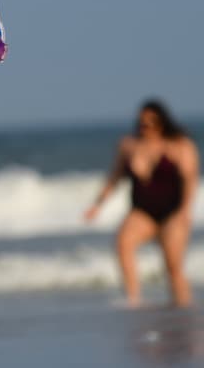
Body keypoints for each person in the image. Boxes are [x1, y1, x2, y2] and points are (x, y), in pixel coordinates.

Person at [85, 99, 197, 307]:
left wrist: (184, 211)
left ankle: (183, 308)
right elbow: (114, 178)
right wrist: (97, 205)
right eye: (142, 122)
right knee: (123, 243)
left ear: (162, 121)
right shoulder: (128, 145)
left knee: (173, 266)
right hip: (142, 211)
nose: (146, 127)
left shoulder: (180, 145)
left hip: (173, 211)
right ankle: (133, 299)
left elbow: (190, 180)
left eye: (151, 122)